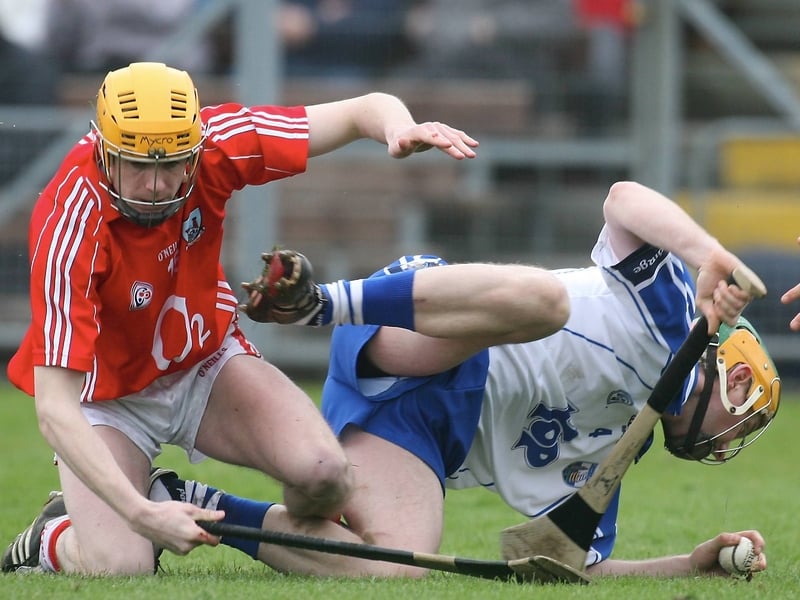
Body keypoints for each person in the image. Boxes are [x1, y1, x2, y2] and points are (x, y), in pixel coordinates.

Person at [37, 180, 777, 580]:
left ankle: (192, 504)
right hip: (426, 331)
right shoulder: (675, 307)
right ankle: (318, 303)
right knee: (545, 303)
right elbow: (624, 199)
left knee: (388, 568)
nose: (728, 440)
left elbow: (575, 563)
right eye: (740, 420)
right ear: (726, 376)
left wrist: (691, 564)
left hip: (421, 432)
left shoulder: (616, 458)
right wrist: (704, 247)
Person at [0, 60, 478, 576]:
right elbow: (54, 409)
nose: (157, 184)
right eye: (136, 164)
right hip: (107, 400)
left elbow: (362, 109)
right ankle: (51, 536)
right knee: (119, 566)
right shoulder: (69, 219)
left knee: (325, 474)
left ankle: (183, 496)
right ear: (102, 149)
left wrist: (397, 127)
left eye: (173, 164)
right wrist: (140, 514)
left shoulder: (219, 141)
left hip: (204, 365)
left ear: (195, 146)